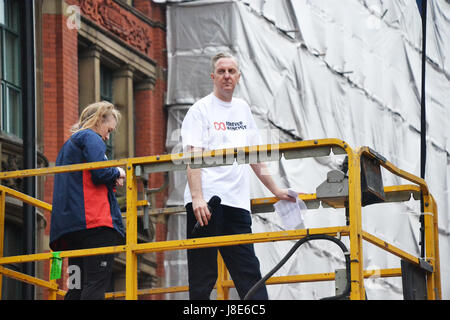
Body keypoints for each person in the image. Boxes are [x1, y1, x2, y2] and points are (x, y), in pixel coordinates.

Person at [181, 52, 296, 300]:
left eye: (231, 71)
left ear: (239, 77)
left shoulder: (242, 109)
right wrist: (197, 197)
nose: (226, 76)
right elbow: (193, 156)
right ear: (213, 76)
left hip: (237, 205)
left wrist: (275, 190)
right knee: (203, 276)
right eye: (221, 71)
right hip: (206, 204)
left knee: (249, 273)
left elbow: (254, 155)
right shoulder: (200, 109)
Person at [50, 101, 126, 300]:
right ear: (99, 120)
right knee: (96, 282)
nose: (107, 136)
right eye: (108, 129)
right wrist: (117, 171)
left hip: (73, 230)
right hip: (95, 224)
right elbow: (100, 172)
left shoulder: (68, 147)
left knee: (76, 286)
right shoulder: (91, 137)